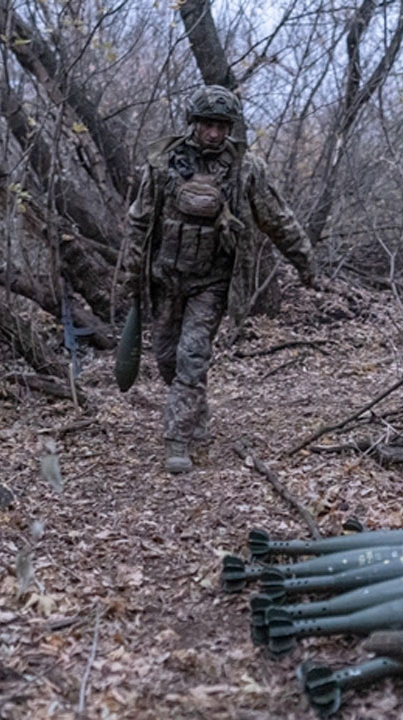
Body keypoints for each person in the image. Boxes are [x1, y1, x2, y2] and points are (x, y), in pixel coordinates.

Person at [126, 85, 315, 474]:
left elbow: (278, 219)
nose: (214, 133)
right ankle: (194, 416)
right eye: (208, 124)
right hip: (166, 277)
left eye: (222, 126)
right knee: (166, 359)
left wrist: (307, 265)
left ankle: (176, 442)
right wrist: (130, 271)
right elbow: (139, 220)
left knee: (191, 359)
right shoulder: (163, 165)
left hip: (211, 284)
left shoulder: (246, 170)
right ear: (193, 123)